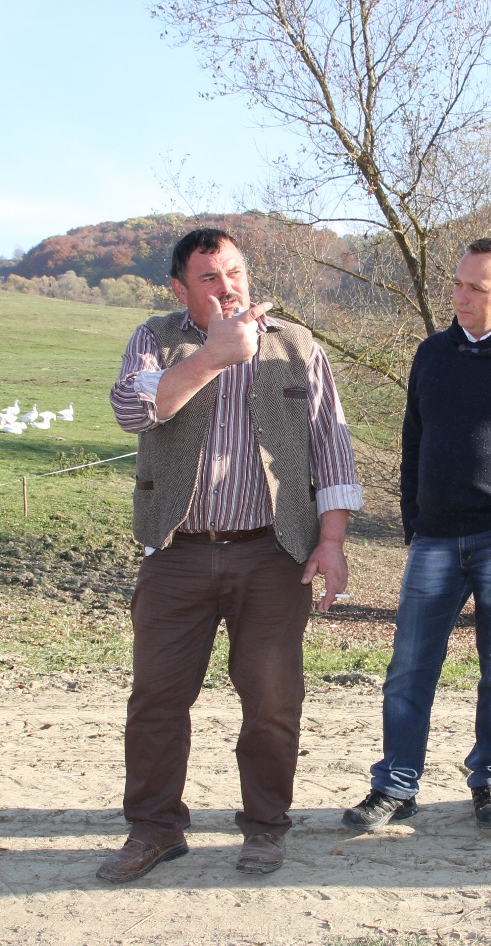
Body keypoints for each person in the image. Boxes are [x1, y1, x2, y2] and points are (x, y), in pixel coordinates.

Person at [101, 228, 361, 881]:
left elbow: (331, 447)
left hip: (272, 552)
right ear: (179, 289)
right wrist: (214, 356)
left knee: (272, 701)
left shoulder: (294, 344)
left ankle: (266, 827)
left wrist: (330, 542)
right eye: (209, 277)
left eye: (235, 272)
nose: (227, 287)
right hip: (177, 550)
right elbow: (133, 411)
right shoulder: (154, 338)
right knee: (157, 700)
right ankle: (155, 829)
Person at [343, 239, 491, 833]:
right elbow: (413, 439)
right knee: (409, 667)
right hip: (435, 539)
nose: (461, 296)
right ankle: (396, 785)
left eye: (477, 287)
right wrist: (413, 517)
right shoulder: (431, 354)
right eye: (457, 283)